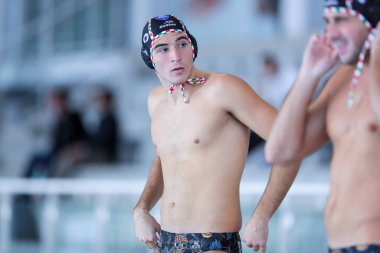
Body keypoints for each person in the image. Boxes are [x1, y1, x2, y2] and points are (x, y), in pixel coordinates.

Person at [133, 15, 300, 253]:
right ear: (149, 58)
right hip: (167, 242)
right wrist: (141, 208)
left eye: (182, 43)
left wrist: (262, 217)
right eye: (163, 49)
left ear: (193, 47)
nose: (175, 56)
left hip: (213, 244)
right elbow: (164, 158)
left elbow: (291, 145)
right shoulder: (155, 101)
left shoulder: (223, 89)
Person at [265, 1, 380, 252]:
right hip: (338, 244)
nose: (331, 33)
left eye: (341, 20)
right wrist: (309, 74)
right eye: (327, 22)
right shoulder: (341, 78)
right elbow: (279, 151)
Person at [23, 88, 88, 178]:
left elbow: (81, 138)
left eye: (56, 102)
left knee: (60, 163)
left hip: (68, 152)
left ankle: (53, 186)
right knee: (36, 160)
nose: (54, 105)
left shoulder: (74, 118)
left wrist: (74, 148)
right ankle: (26, 186)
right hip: (55, 152)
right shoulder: (58, 119)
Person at [88, 88, 119, 163]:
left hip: (105, 155)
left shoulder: (110, 120)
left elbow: (104, 142)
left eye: (103, 101)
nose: (101, 103)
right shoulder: (102, 119)